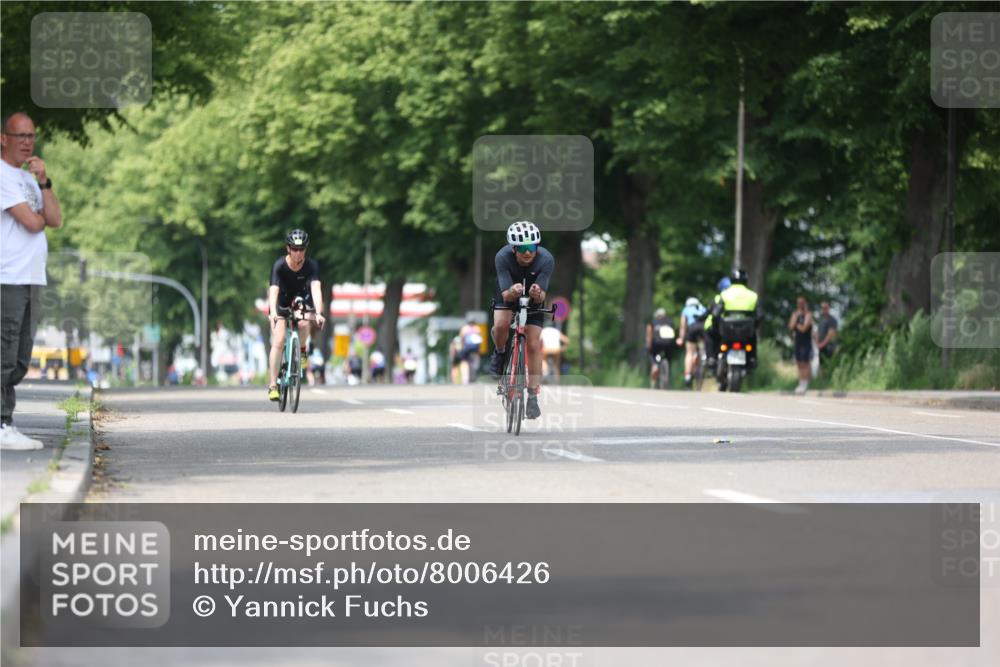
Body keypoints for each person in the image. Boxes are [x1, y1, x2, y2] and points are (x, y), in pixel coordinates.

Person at [1, 112, 62, 450]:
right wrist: (37, 217)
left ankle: (4, 422)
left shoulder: (27, 180)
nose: (27, 142)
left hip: (30, 277)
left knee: (22, 358)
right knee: (4, 354)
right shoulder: (2, 175)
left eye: (31, 136)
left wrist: (44, 181)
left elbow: (53, 219)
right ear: (3, 138)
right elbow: (32, 224)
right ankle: (2, 422)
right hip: (6, 277)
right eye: (20, 135)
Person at [489, 221, 554, 420]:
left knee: (534, 343)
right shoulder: (502, 257)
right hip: (508, 294)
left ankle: (533, 395)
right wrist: (513, 291)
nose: (528, 253)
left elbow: (542, 296)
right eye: (523, 248)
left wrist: (536, 293)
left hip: (532, 301)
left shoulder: (546, 260)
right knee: (500, 326)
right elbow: (506, 295)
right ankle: (500, 353)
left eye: (532, 248)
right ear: (514, 248)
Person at [266, 229, 325, 401]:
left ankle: (303, 349)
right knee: (279, 340)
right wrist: (273, 314)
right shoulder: (279, 266)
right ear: (288, 249)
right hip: (281, 301)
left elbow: (316, 289)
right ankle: (272, 385)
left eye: (302, 249)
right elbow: (273, 292)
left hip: (301, 298)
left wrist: (319, 313)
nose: (298, 253)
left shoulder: (312, 265)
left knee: (304, 322)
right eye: (294, 249)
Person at [705, 271, 759, 368]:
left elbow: (716, 313)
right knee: (753, 337)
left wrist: (714, 325)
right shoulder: (753, 295)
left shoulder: (724, 294)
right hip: (746, 330)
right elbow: (760, 314)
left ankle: (712, 358)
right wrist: (754, 325)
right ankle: (752, 359)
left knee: (711, 335)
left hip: (727, 329)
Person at [676, 297, 707, 388]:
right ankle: (703, 356)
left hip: (692, 329)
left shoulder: (686, 310)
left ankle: (688, 375)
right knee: (703, 345)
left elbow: (683, 326)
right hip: (703, 328)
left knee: (689, 352)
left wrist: (681, 338)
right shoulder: (703, 308)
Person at [788, 295, 814, 395]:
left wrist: (796, 324)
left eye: (802, 303)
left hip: (806, 342)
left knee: (805, 363)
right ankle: (801, 382)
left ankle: (805, 383)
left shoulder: (808, 315)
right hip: (798, 342)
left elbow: (804, 328)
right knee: (799, 363)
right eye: (798, 303)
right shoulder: (795, 314)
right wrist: (795, 319)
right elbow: (790, 326)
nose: (800, 305)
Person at [645, 307, 676, 387]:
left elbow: (649, 335)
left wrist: (648, 345)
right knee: (668, 358)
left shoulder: (653, 322)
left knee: (653, 355)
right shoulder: (670, 322)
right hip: (669, 344)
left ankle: (655, 367)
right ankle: (667, 373)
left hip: (657, 344)